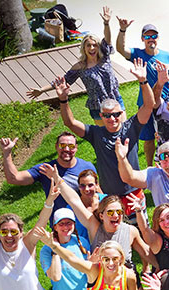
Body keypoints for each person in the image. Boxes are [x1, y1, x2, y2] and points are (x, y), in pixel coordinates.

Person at [56, 60, 158, 204]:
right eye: (107, 115)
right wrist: (63, 99)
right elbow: (70, 123)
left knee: (140, 226)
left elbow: (149, 106)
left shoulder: (131, 127)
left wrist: (143, 81)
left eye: (116, 114)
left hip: (134, 193)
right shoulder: (95, 133)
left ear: (121, 113)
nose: (112, 119)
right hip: (110, 196)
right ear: (101, 116)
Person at [26, 19, 123, 124]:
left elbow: (108, 40)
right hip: (97, 106)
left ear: (98, 47)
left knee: (122, 130)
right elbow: (63, 81)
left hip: (115, 99)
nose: (92, 48)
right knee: (105, 136)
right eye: (88, 45)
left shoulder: (104, 58)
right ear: (84, 48)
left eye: (94, 45)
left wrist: (106, 23)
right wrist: (41, 90)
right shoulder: (80, 67)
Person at [114, 17, 169, 167]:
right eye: (147, 36)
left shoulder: (167, 56)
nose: (151, 39)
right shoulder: (137, 54)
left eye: (153, 36)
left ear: (158, 37)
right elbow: (121, 49)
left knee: (168, 136)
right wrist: (123, 30)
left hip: (164, 104)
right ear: (142, 39)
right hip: (145, 104)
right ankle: (150, 167)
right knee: (148, 139)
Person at [0, 131, 96, 214]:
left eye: (70, 146)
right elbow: (13, 178)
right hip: (61, 225)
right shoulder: (46, 169)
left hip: (85, 219)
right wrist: (7, 153)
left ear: (76, 148)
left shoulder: (87, 166)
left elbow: (97, 192)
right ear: (56, 146)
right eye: (62, 145)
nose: (66, 149)